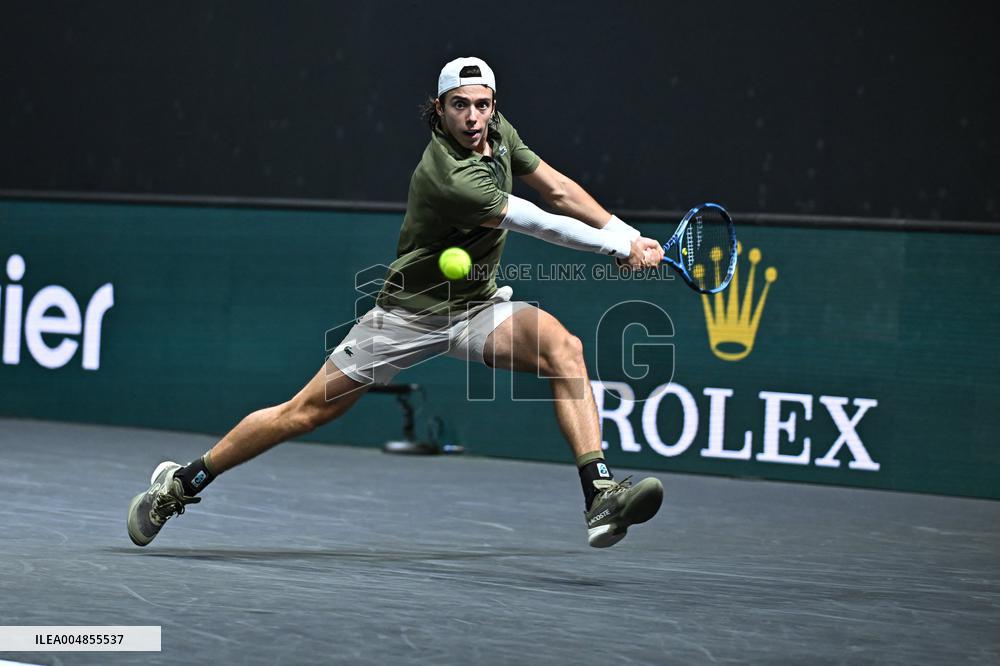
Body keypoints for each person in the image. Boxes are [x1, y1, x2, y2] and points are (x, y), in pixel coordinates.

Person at [127, 57, 666, 549]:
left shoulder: (499, 133)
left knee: (563, 349)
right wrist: (618, 248)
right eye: (460, 106)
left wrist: (628, 235)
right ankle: (183, 482)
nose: (473, 117)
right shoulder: (447, 175)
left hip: (476, 307)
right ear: (439, 108)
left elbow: (559, 190)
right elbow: (535, 219)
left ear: (494, 107)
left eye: (482, 105)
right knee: (303, 413)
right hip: (407, 317)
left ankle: (599, 496)